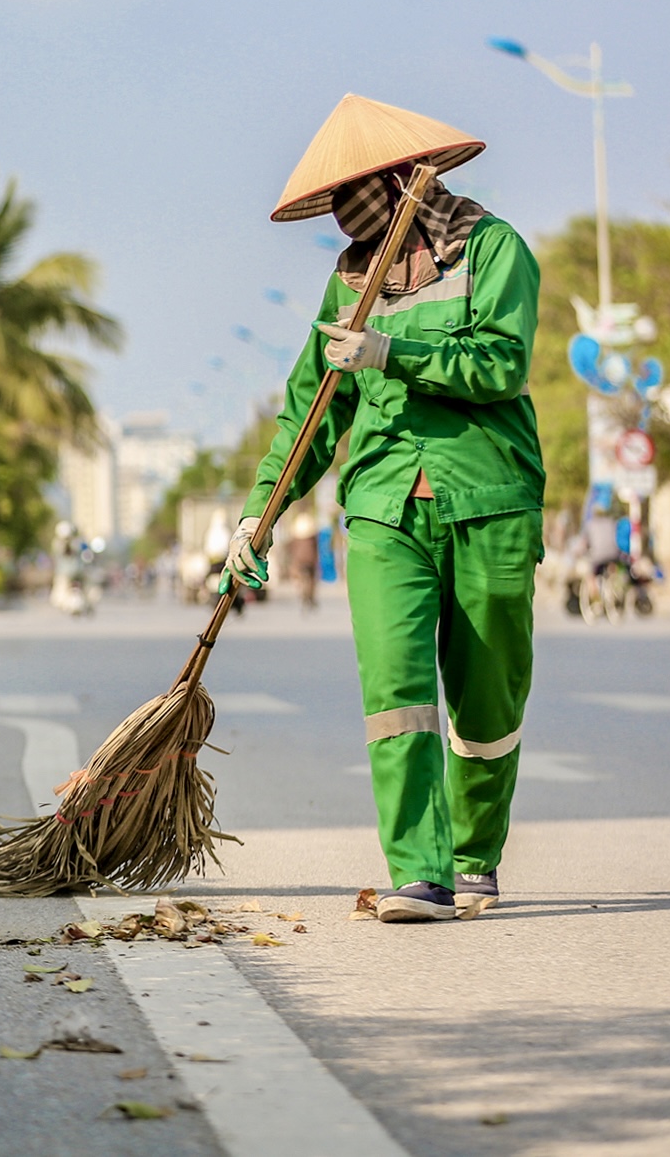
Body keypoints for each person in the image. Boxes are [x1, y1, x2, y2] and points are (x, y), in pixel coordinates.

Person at [220, 95, 544, 924]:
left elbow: (500, 364)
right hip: (382, 509)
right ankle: (421, 871)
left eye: (363, 193)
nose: (348, 217)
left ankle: (474, 852)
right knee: (396, 691)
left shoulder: (495, 249)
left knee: (487, 703)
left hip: (488, 500)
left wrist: (394, 352)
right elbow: (310, 412)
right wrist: (258, 515)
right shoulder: (349, 281)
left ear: (405, 182)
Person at [287, 511, 320, 612]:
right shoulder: (312, 539)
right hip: (310, 560)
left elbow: (291, 550)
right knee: (311, 579)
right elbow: (316, 549)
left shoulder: (295, 540)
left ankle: (302, 593)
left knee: (300, 578)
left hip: (299, 561)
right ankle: (310, 596)